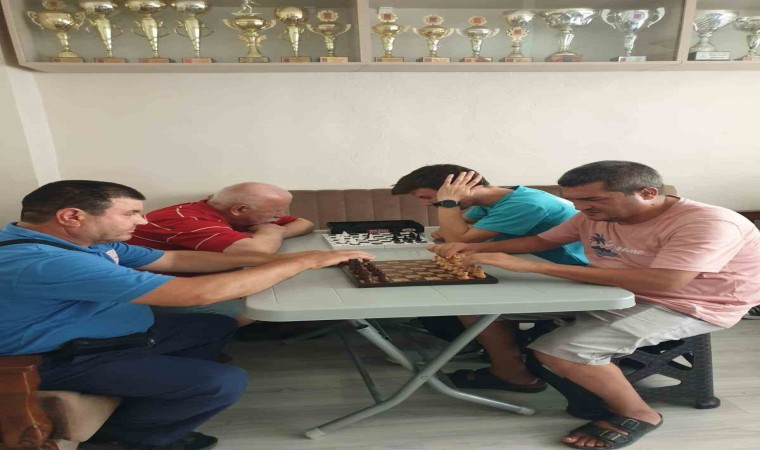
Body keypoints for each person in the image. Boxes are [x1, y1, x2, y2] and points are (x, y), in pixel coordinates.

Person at [0, 180, 371, 450]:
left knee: (212, 326)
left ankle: (156, 397)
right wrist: (302, 263)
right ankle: (133, 437)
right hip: (61, 357)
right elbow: (194, 293)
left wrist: (294, 258)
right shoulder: (44, 260)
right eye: (130, 213)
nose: (142, 223)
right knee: (222, 382)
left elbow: (175, 259)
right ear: (72, 216)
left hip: (112, 335)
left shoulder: (80, 242)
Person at [429, 161, 760, 449]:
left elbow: (665, 283)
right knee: (475, 306)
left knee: (559, 351)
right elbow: (542, 241)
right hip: (613, 289)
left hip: (690, 303)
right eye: (575, 200)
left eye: (592, 199)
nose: (581, 208)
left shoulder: (707, 223)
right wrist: (475, 250)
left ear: (647, 193)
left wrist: (533, 267)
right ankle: (512, 373)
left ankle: (638, 412)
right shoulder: (592, 215)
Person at [392, 164, 587, 391]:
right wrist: (456, 229)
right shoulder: (498, 200)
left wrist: (448, 203)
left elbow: (457, 240)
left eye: (427, 197)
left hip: (572, 274)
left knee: (470, 303)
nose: (426, 204)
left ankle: (512, 373)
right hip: (538, 266)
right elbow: (452, 234)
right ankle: (498, 352)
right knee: (458, 288)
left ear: (459, 187)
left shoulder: (526, 203)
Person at [128, 182, 315, 326]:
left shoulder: (221, 211)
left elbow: (305, 223)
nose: (281, 215)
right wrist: (270, 233)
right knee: (252, 309)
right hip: (149, 296)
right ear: (239, 210)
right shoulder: (188, 220)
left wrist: (274, 232)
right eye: (276, 211)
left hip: (189, 279)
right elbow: (258, 251)